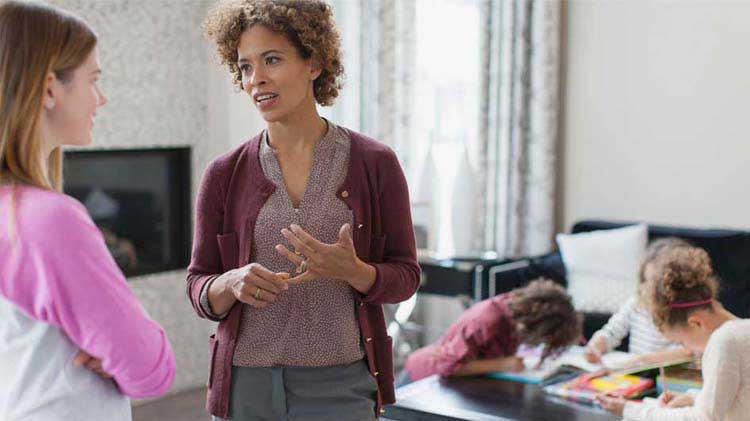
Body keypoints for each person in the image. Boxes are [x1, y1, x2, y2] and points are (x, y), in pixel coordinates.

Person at [189, 1, 420, 419]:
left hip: (341, 383)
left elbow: (406, 277)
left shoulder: (374, 162)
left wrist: (355, 271)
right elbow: (199, 286)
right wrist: (231, 283)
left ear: (313, 62)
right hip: (246, 385)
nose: (256, 78)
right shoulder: (223, 173)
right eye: (244, 67)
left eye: (272, 60)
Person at [0, 2, 175, 420]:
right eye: (93, 80)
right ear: (49, 89)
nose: (101, 98)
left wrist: (112, 348)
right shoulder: (49, 219)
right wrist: (119, 350)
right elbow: (151, 370)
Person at [597, 246, 750, 420]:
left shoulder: (723, 341)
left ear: (696, 323)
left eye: (682, 341)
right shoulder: (743, 331)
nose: (686, 348)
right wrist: (694, 398)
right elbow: (737, 396)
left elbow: (703, 418)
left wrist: (630, 410)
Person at [401, 279, 582, 382]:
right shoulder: (486, 320)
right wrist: (504, 364)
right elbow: (449, 366)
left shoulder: (516, 309)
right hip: (422, 378)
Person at [585, 238, 693, 366]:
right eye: (644, 280)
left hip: (668, 378)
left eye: (656, 283)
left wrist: (643, 360)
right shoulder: (636, 303)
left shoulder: (687, 312)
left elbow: (689, 351)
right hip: (636, 375)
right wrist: (596, 346)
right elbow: (612, 332)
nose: (646, 288)